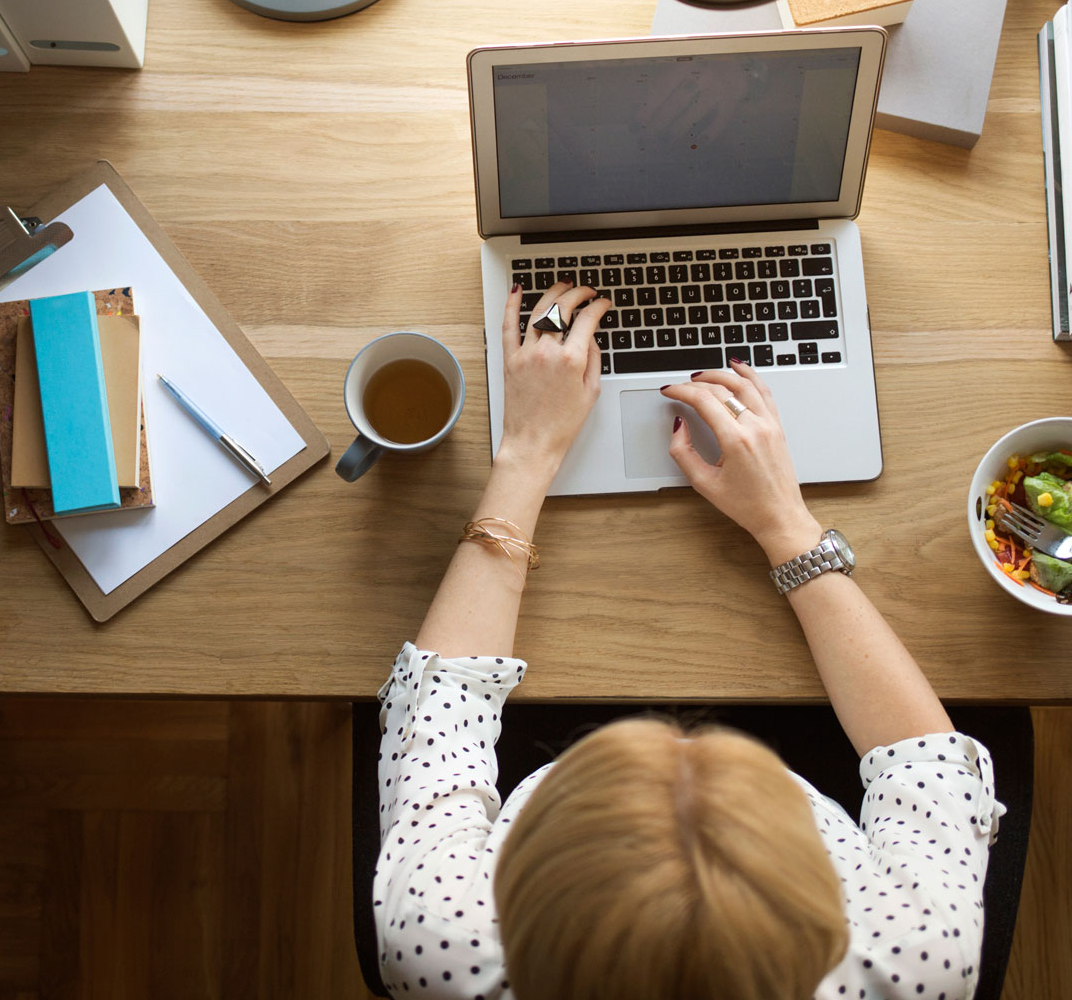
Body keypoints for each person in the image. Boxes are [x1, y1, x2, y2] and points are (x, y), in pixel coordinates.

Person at [373, 280, 1004, 1000]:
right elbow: (926, 763)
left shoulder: (436, 941)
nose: (681, 739)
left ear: (514, 894)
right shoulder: (918, 956)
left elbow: (438, 705)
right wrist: (786, 526)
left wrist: (525, 452)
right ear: (826, 912)